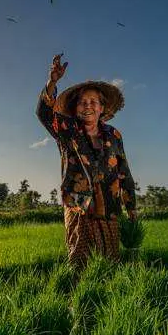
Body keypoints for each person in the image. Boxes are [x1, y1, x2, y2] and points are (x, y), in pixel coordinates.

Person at [36, 54, 137, 269]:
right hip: (78, 207)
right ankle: (80, 299)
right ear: (75, 108)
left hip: (109, 208)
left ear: (102, 108)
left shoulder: (114, 135)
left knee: (109, 262)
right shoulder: (67, 130)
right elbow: (44, 113)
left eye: (93, 102)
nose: (87, 106)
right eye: (82, 102)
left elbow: (124, 173)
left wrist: (131, 207)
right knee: (79, 263)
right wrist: (52, 81)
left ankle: (108, 300)